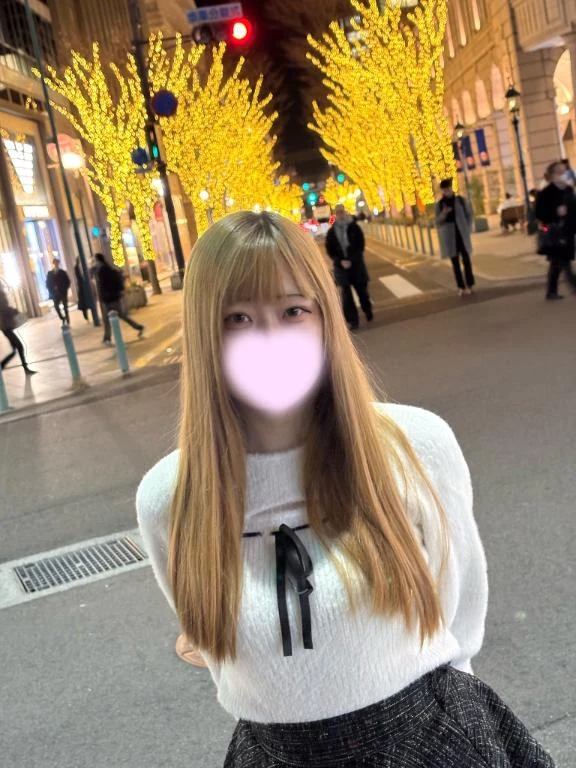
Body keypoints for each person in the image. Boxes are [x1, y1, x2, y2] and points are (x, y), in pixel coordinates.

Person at [136, 211, 555, 767]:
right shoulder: (170, 498)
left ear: (325, 318)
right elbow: (224, 659)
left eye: (293, 310)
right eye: (237, 318)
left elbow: (459, 619)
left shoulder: (415, 446)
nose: (270, 339)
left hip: (429, 741)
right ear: (203, 335)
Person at [325, 203, 373, 330]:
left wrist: (351, 260)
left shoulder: (354, 227)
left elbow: (360, 245)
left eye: (342, 212)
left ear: (345, 212)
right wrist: (340, 261)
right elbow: (330, 249)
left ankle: (367, 310)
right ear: (335, 214)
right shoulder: (331, 232)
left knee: (362, 292)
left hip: (356, 265)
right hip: (341, 267)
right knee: (346, 294)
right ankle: (352, 320)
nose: (340, 214)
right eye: (338, 212)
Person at [534, 160, 576, 301]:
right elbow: (539, 213)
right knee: (563, 262)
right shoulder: (545, 193)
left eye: (564, 171)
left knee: (557, 263)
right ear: (552, 175)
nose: (563, 174)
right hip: (554, 233)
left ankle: (551, 291)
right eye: (559, 172)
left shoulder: (568, 190)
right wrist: (555, 212)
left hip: (568, 232)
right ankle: (571, 286)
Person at [435, 178, 476, 296]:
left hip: (461, 234)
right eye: (444, 190)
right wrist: (444, 213)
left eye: (448, 189)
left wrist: (468, 228)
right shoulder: (440, 204)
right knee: (455, 263)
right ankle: (460, 286)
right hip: (450, 237)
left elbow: (469, 215)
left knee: (466, 260)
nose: (446, 191)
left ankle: (470, 285)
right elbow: (437, 221)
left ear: (451, 189)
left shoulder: (460, 200)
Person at [93, 253, 144, 344]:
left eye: (95, 261)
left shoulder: (101, 272)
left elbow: (102, 286)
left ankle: (107, 338)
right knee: (121, 315)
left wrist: (102, 297)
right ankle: (138, 327)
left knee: (107, 319)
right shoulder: (110, 269)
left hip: (108, 299)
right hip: (115, 297)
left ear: (98, 261)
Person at [0, 283, 36, 375]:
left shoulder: (2, 294)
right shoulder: (1, 295)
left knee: (15, 349)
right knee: (19, 346)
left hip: (6, 326)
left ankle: (3, 365)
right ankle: (24, 368)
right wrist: (13, 311)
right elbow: (4, 309)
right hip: (6, 326)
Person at [46, 258, 71, 324]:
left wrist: (65, 288)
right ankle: (62, 317)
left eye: (57, 262)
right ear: (53, 263)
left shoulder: (63, 272)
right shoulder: (50, 273)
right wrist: (51, 290)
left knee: (65, 306)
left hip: (63, 292)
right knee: (56, 306)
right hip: (55, 293)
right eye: (55, 262)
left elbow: (68, 281)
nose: (56, 264)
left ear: (58, 263)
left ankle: (67, 318)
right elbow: (48, 284)